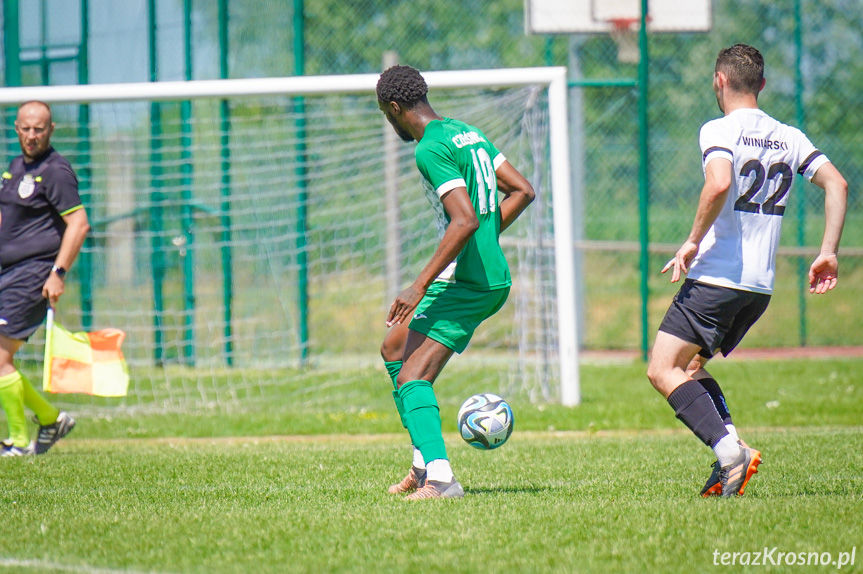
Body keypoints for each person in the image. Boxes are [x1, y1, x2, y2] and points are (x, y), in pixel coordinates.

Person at [646, 45, 848, 497]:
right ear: (760, 84)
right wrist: (828, 251)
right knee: (691, 366)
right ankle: (735, 453)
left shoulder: (719, 128)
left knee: (661, 369)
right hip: (759, 287)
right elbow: (837, 182)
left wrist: (693, 240)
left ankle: (727, 449)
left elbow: (718, 182)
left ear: (719, 80)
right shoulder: (789, 136)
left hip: (717, 277)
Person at [376, 65, 535, 499]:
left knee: (413, 378)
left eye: (386, 116)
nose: (390, 124)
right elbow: (523, 190)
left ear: (395, 108)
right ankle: (423, 463)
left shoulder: (429, 148)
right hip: (476, 274)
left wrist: (418, 285)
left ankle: (443, 480)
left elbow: (464, 220)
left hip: (473, 282)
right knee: (394, 347)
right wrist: (485, 234)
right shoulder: (467, 132)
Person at [0, 100, 89, 456]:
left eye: (39, 129)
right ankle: (50, 419)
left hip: (33, 275)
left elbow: (79, 224)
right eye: (26, 128)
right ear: (16, 128)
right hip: (9, 273)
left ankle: (20, 442)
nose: (32, 135)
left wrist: (58, 274)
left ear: (51, 130)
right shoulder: (14, 167)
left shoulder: (55, 171)